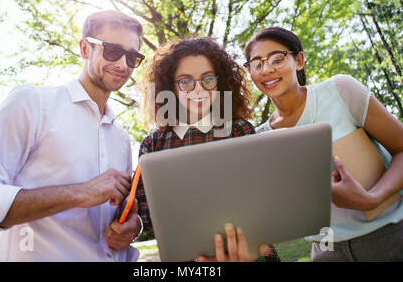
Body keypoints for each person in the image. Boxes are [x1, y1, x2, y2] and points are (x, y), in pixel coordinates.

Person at [0, 10, 145, 261]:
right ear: (85, 48)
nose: (122, 64)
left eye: (132, 57)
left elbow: (116, 216)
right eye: (111, 51)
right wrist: (79, 193)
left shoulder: (120, 137)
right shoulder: (32, 104)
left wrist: (134, 226)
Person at [243, 26, 403, 261]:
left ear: (299, 61)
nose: (266, 69)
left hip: (388, 237)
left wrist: (374, 197)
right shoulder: (260, 139)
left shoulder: (340, 91)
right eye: (256, 64)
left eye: (277, 59)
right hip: (326, 251)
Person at [135, 37, 280, 262]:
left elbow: (265, 199)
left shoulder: (240, 130)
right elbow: (145, 217)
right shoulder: (154, 144)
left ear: (220, 83)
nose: (198, 90)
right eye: (185, 82)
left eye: (208, 79)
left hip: (249, 252)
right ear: (170, 87)